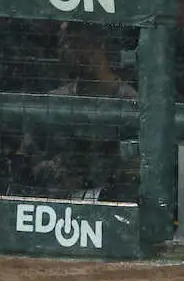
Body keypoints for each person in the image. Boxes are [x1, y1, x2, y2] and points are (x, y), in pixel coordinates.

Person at [22, 22, 138, 199]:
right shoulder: (54, 101)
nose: (66, 50)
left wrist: (98, 178)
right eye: (63, 43)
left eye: (75, 42)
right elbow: (27, 160)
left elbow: (137, 170)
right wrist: (55, 171)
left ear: (99, 45)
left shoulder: (130, 103)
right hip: (55, 205)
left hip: (108, 207)